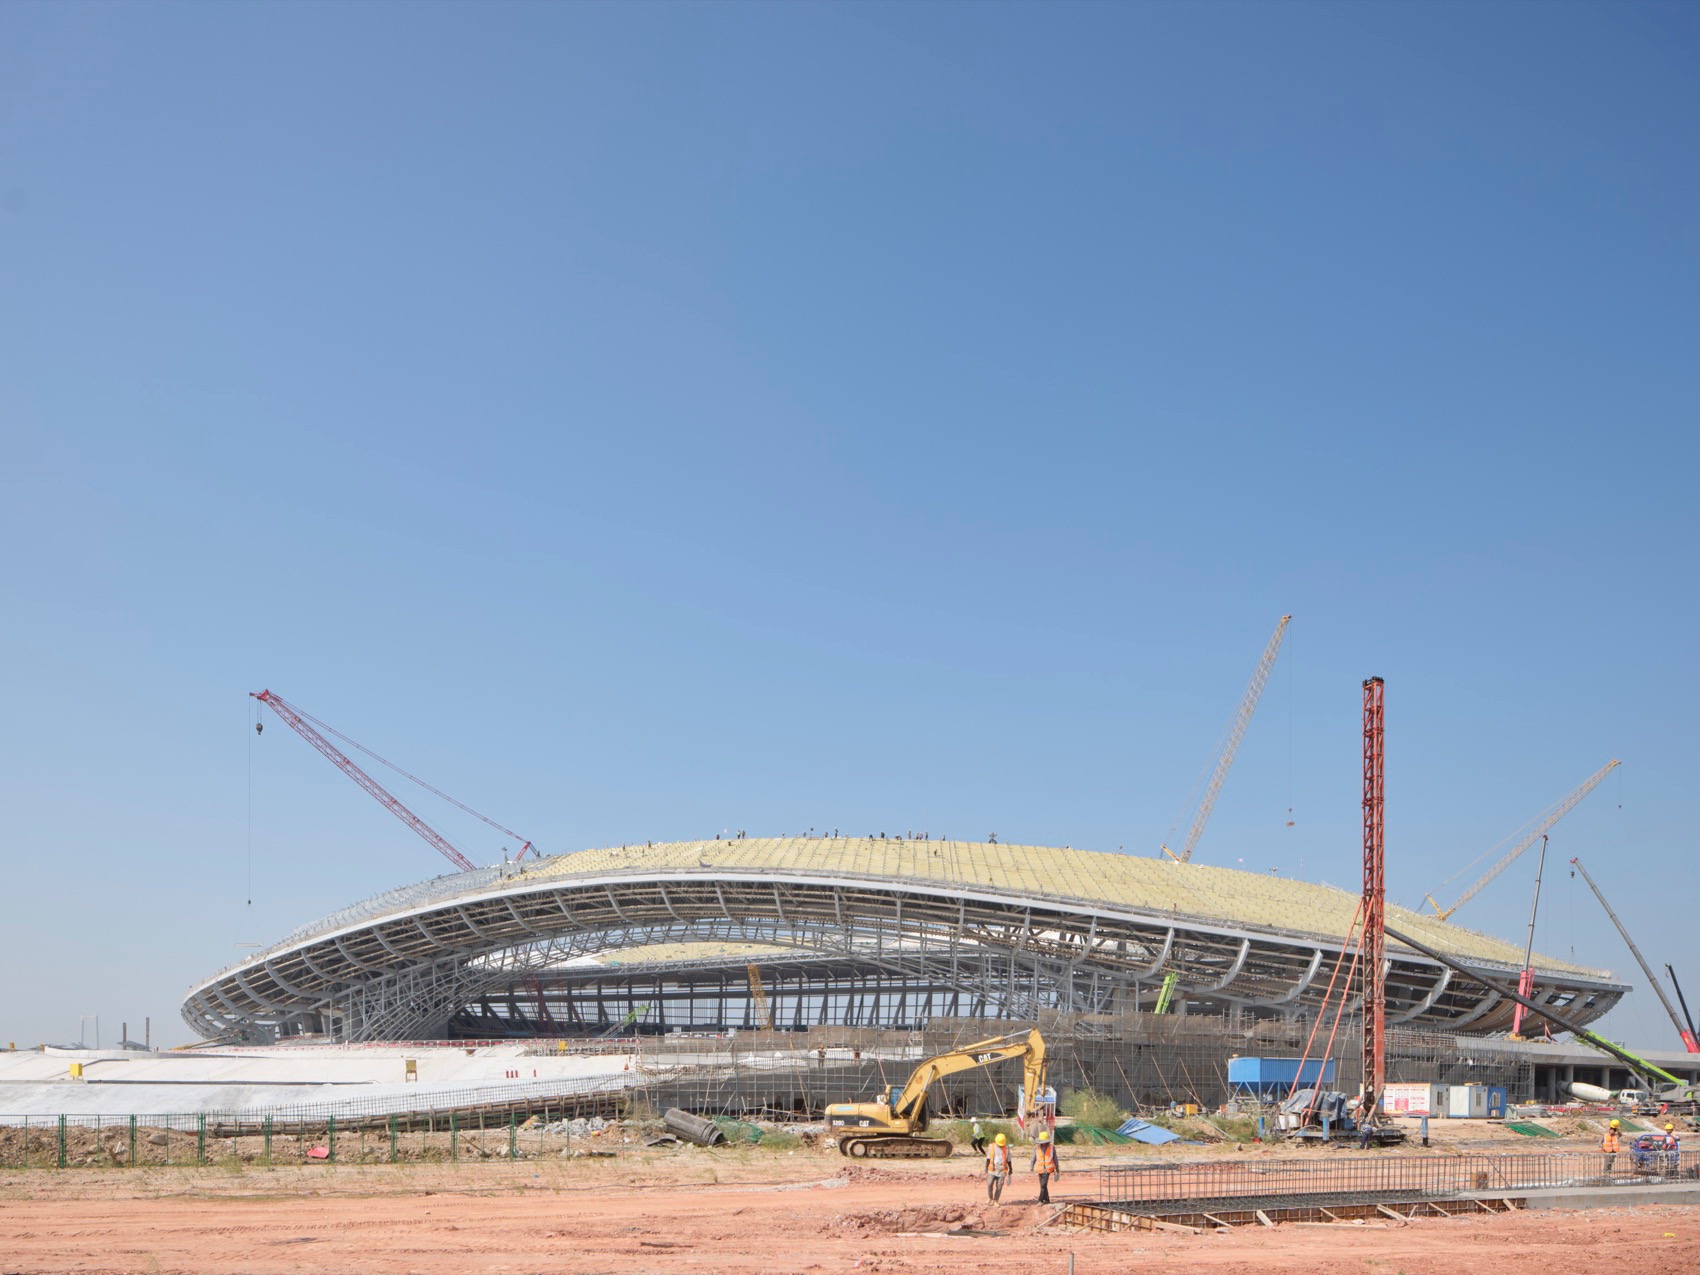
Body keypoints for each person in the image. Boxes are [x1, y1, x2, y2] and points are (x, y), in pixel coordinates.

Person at [1030, 1127, 1060, 1204]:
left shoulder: (1052, 1148)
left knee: (1043, 1185)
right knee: (1043, 1185)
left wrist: (1057, 1169)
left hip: (1048, 1169)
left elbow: (1055, 1159)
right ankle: (1047, 1200)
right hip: (1040, 1169)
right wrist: (1031, 1166)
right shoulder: (1037, 1148)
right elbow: (1033, 1158)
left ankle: (1040, 1200)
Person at [985, 1132, 1011, 1205]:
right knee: (989, 1184)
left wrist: (1010, 1169)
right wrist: (986, 1168)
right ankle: (990, 1198)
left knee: (999, 1187)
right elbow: (988, 1158)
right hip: (992, 1169)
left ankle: (996, 1200)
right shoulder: (991, 1147)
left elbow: (1009, 1160)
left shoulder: (1007, 1148)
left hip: (1002, 1170)